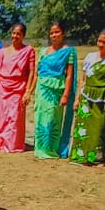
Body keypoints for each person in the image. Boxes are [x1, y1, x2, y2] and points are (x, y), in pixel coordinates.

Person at [71, 28, 105, 166]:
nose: (100, 44)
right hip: (86, 95)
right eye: (99, 41)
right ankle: (80, 157)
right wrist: (77, 99)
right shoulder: (90, 57)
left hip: (104, 96)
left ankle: (96, 158)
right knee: (83, 127)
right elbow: (83, 80)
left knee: (99, 127)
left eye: (104, 42)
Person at [33, 21, 76, 159]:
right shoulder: (43, 51)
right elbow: (37, 72)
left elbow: (69, 75)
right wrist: (31, 90)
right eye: (51, 33)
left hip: (56, 88)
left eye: (57, 32)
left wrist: (66, 94)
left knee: (53, 117)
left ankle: (50, 149)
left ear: (63, 33)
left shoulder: (68, 51)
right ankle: (40, 148)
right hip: (42, 88)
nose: (54, 35)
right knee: (40, 116)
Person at [0, 22, 36, 152]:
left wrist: (28, 91)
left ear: (23, 36)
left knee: (15, 117)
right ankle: (1, 142)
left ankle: (13, 144)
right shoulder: (3, 51)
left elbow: (32, 72)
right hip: (3, 87)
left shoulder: (28, 50)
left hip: (19, 87)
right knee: (2, 116)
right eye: (13, 33)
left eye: (18, 34)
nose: (15, 36)